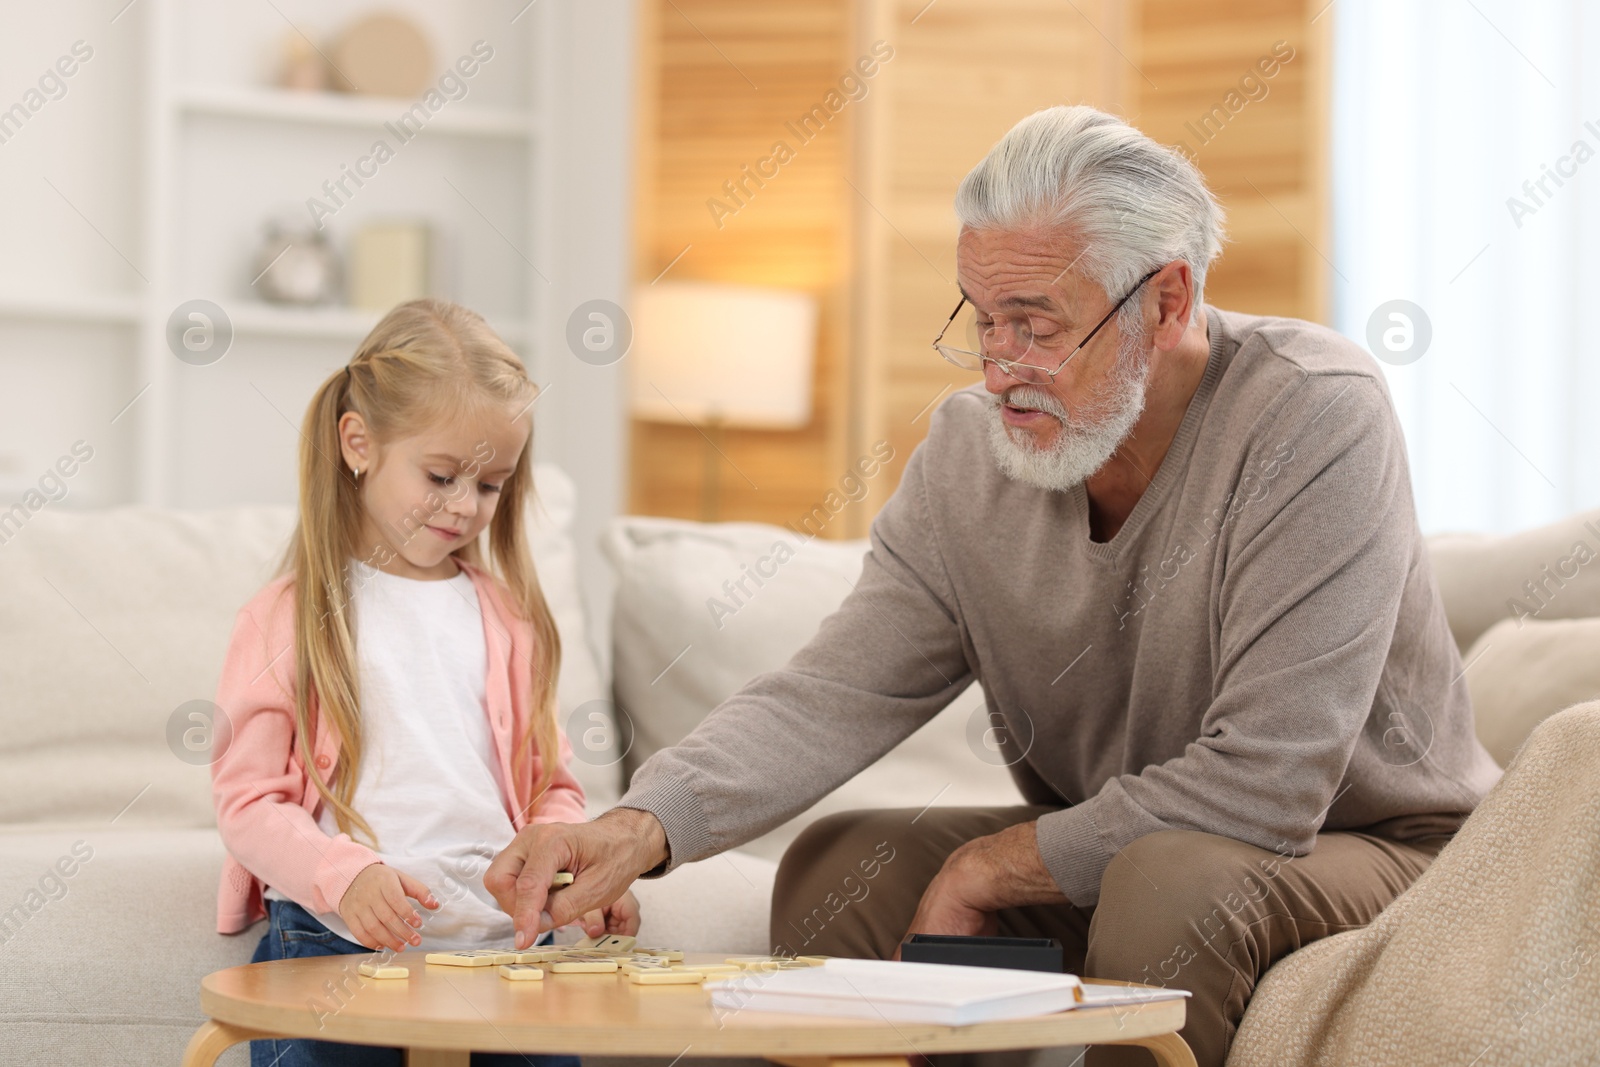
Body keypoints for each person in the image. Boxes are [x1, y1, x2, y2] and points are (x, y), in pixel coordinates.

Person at [484, 106, 1503, 1066]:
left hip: (1376, 844)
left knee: (1167, 882)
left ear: (1167, 300)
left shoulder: (1315, 415)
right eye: (981, 319)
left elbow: (1266, 783)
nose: (997, 367)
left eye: (1036, 324)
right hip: (1138, 839)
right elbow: (836, 689)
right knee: (839, 868)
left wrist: (991, 866)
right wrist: (638, 825)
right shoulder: (969, 455)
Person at [211, 298, 639, 1067]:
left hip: (507, 943)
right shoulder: (287, 615)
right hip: (334, 933)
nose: (463, 507)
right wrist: (343, 876)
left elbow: (552, 785)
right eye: (441, 476)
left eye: (490, 485)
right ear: (359, 443)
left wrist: (575, 859)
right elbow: (247, 802)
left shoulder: (507, 618)